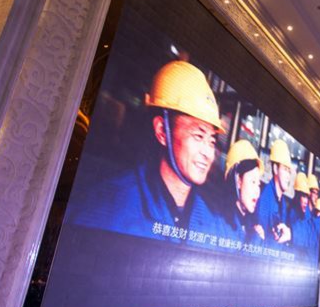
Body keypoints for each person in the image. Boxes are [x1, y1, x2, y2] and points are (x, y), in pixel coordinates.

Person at [70, 60, 227, 243]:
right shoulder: (104, 209)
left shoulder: (214, 225)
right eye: (198, 136)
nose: (208, 153)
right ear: (162, 131)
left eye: (211, 141)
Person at [224, 139, 264, 244]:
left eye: (258, 184)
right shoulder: (222, 225)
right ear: (238, 181)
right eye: (253, 181)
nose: (257, 192)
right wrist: (254, 241)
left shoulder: (249, 223)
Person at [257, 138, 293, 245]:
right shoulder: (265, 199)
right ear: (275, 169)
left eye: (289, 171)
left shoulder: (282, 201)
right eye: (285, 169)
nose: (288, 176)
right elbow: (261, 243)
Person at [287, 173, 317, 261]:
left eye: (307, 197)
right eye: (303, 196)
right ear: (297, 196)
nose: (306, 201)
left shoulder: (304, 215)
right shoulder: (293, 214)